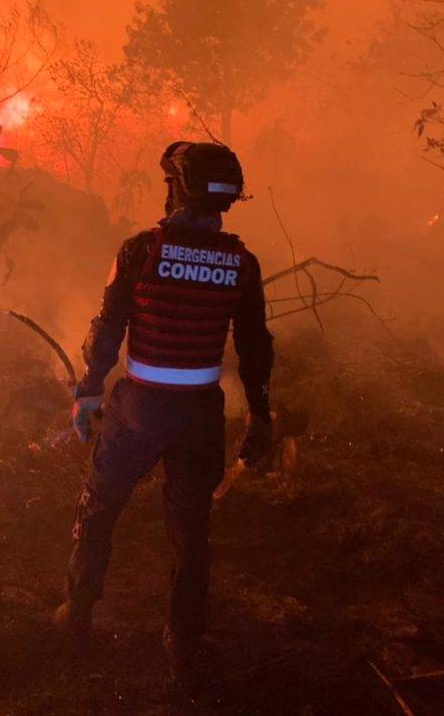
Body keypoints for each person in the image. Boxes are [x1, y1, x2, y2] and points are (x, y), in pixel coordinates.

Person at [54, 141, 293, 687]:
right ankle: (183, 647)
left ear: (177, 188)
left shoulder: (141, 250)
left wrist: (89, 391)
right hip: (200, 418)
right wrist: (260, 416)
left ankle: (77, 615)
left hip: (138, 411)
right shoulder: (242, 263)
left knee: (99, 507)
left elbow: (108, 329)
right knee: (191, 533)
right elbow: (256, 349)